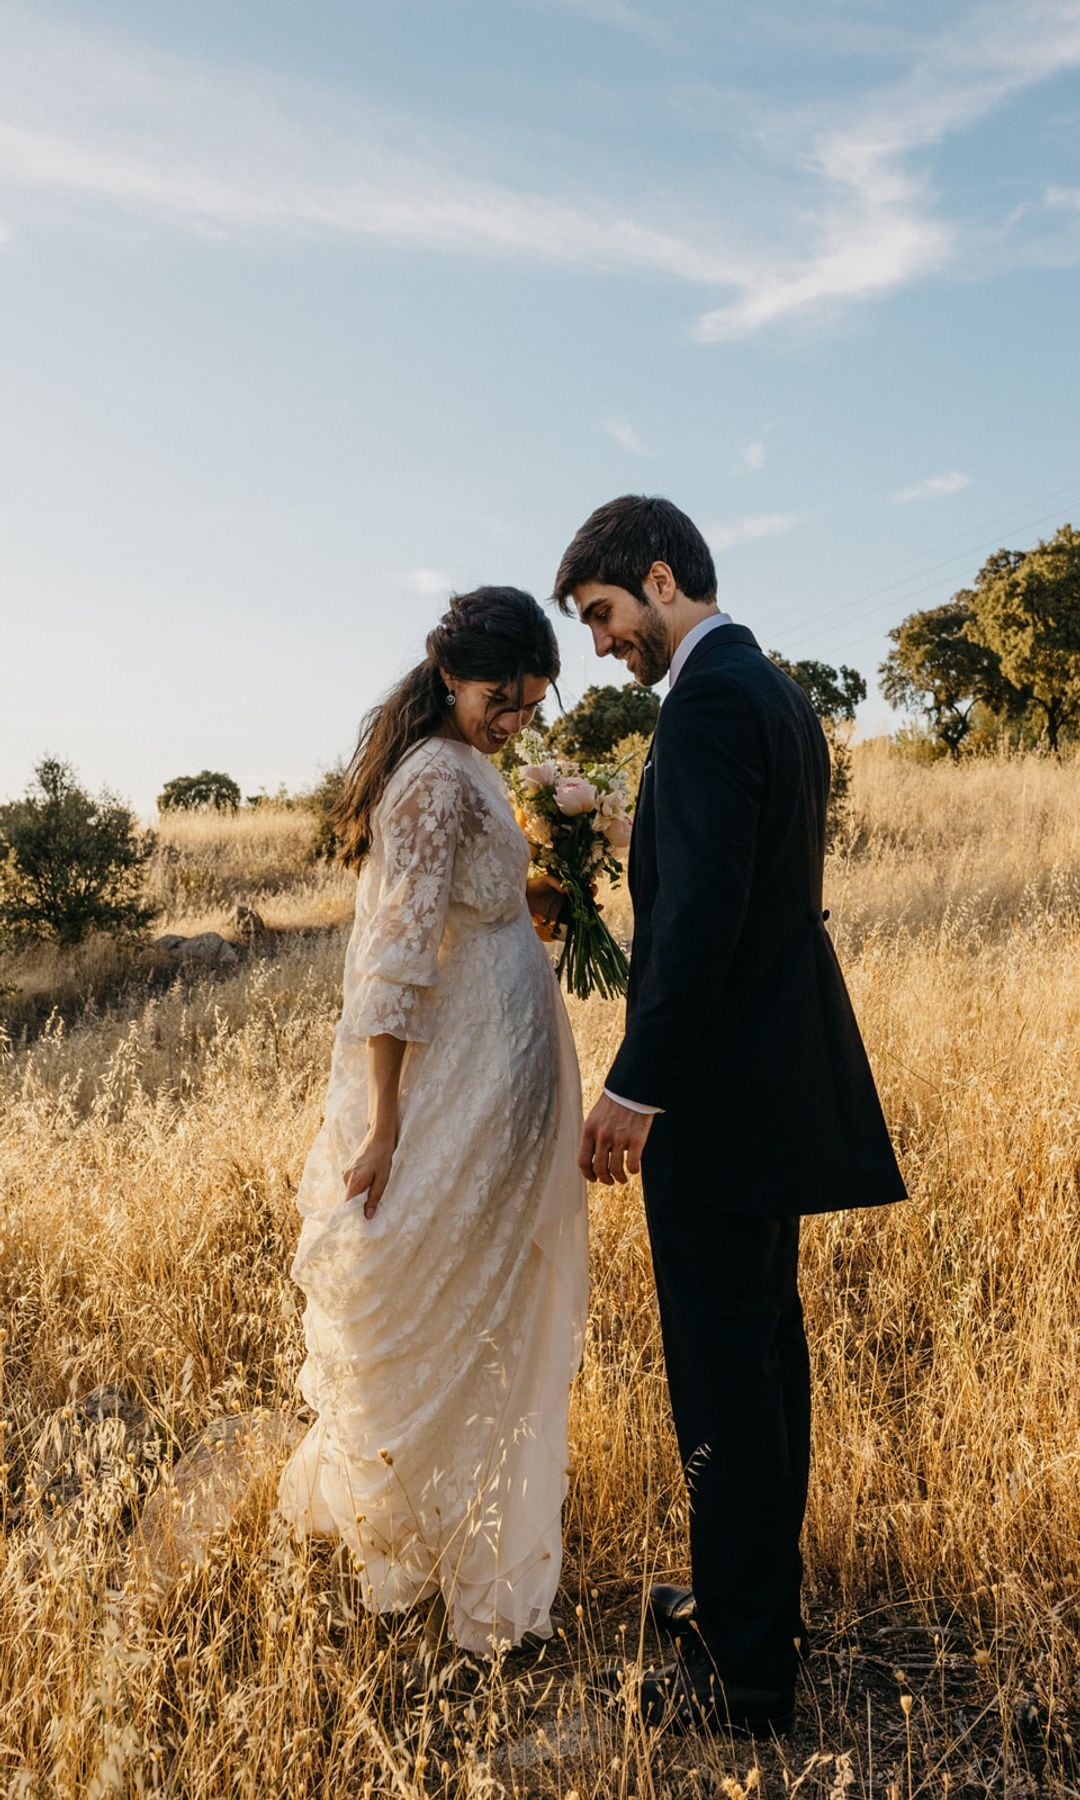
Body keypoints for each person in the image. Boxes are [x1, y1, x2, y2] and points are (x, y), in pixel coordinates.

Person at [554, 496, 906, 1735]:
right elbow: (724, 870)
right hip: (773, 1084)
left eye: (603, 616)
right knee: (761, 1367)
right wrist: (613, 817)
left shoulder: (703, 703)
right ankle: (739, 1604)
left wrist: (632, 1088)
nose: (602, 644)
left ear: (659, 577)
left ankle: (744, 1672)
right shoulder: (772, 688)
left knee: (724, 1382)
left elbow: (701, 916)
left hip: (715, 1095)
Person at [277, 587, 589, 1656]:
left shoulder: (474, 766)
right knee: (450, 1294)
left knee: (496, 1300)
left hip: (505, 1065)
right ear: (452, 674)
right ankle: (430, 1536)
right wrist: (385, 1123)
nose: (516, 721)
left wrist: (545, 898)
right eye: (502, 700)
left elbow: (468, 905)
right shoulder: (428, 782)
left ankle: (474, 1521)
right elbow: (395, 962)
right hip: (455, 1082)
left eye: (530, 706)